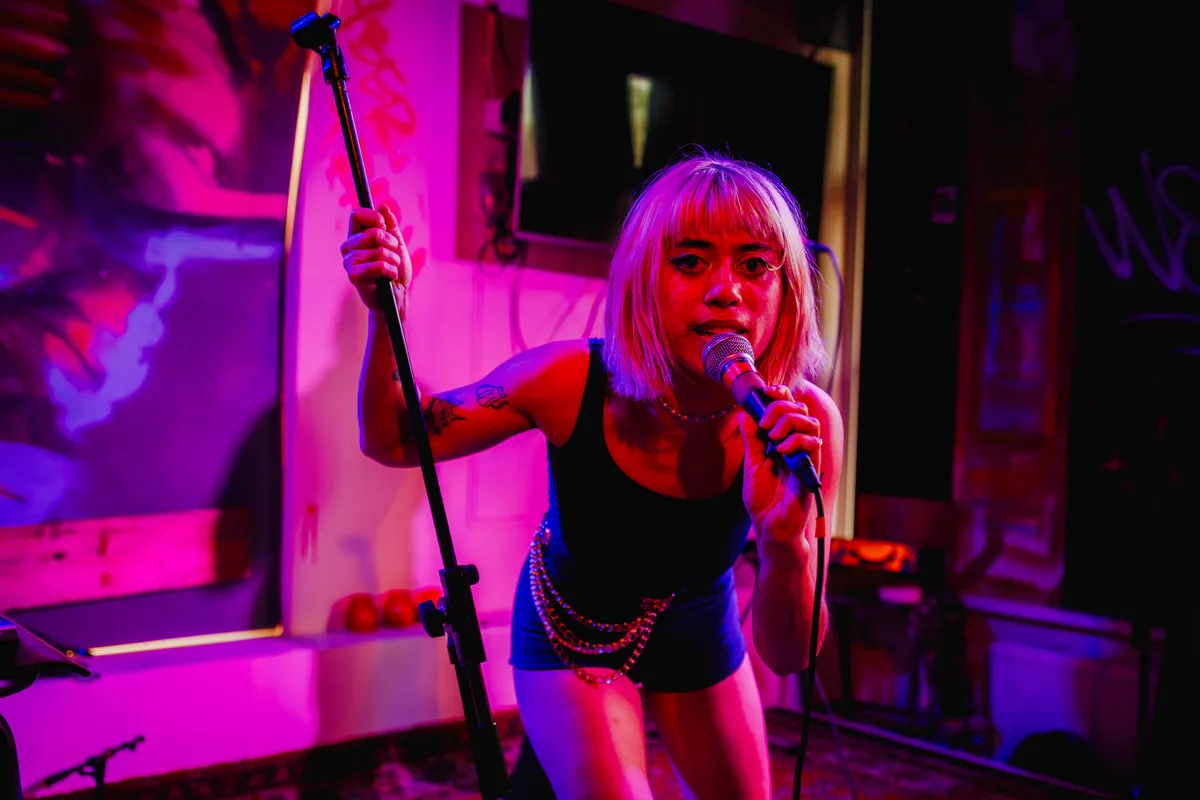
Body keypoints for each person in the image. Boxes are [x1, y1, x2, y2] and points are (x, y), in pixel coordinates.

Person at [340, 149, 844, 800]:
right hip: (571, 628)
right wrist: (388, 315)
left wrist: (784, 546)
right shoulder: (568, 380)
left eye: (754, 266)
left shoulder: (805, 423)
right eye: (691, 262)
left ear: (788, 290)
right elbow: (393, 438)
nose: (727, 289)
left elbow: (790, 654)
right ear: (642, 280)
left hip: (697, 624)